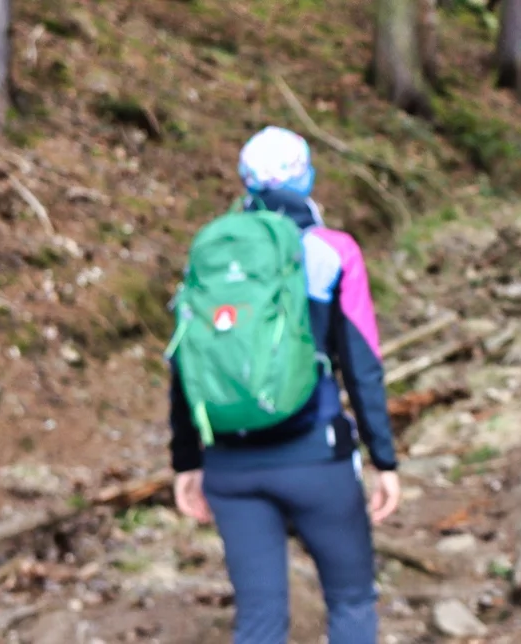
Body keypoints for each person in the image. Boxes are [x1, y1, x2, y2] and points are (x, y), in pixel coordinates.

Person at [166, 126, 402, 643]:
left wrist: (187, 460)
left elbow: (188, 358)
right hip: (316, 459)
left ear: (245, 182)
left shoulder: (213, 255)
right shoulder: (333, 251)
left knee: (259, 620)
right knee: (352, 601)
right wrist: (384, 459)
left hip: (230, 466)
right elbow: (362, 366)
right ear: (306, 177)